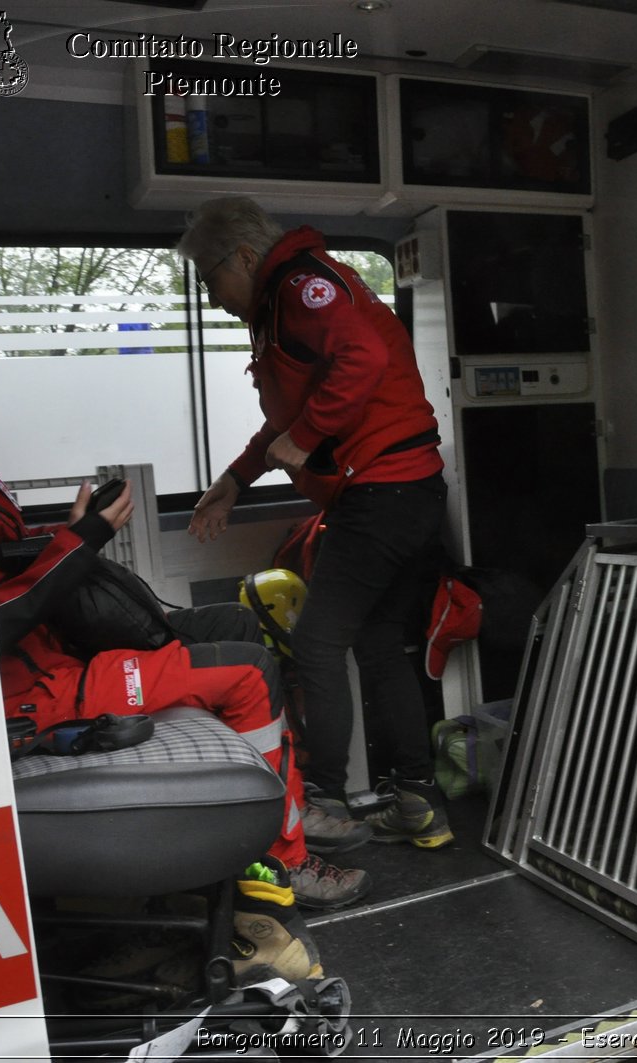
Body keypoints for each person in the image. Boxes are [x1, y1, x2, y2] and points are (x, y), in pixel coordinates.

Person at [0, 382, 365, 982]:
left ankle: (283, 810)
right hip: (22, 693)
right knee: (247, 671)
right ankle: (280, 868)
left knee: (233, 621)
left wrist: (65, 539)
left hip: (50, 659)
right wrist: (83, 541)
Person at [179, 196, 454, 851]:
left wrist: (304, 437)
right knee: (380, 643)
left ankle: (326, 801)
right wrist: (232, 482)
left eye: (211, 278)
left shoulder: (304, 286)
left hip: (383, 492)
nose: (212, 296)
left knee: (318, 644)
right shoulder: (280, 303)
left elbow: (362, 360)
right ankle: (417, 802)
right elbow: (289, 412)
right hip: (404, 489)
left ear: (244, 257)